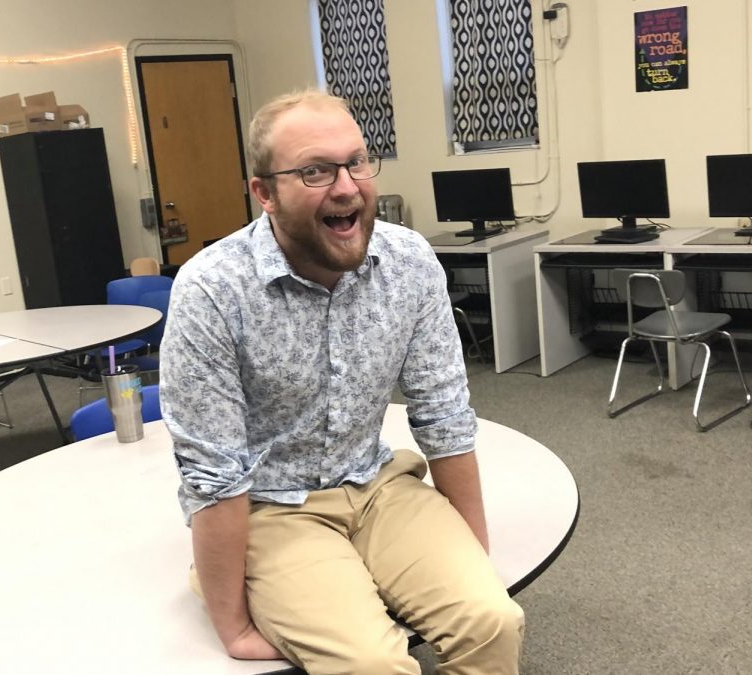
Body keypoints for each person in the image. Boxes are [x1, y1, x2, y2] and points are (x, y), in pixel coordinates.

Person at [160, 89, 524, 674]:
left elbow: (444, 416)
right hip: (272, 507)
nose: (348, 186)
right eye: (314, 171)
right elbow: (215, 473)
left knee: (492, 620)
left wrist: (471, 561)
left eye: (356, 161)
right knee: (371, 663)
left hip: (380, 485)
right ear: (264, 194)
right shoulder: (213, 290)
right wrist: (232, 624)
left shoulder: (408, 263)